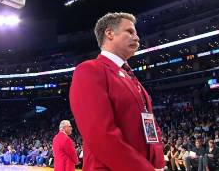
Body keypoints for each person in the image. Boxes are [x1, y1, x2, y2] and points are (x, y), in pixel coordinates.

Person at [70, 12, 165, 171]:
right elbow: (101, 135)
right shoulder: (89, 70)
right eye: (130, 31)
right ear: (109, 33)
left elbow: (151, 126)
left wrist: (158, 163)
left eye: (136, 33)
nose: (137, 37)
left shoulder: (130, 77)